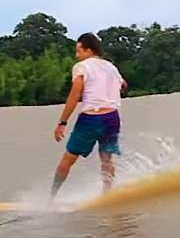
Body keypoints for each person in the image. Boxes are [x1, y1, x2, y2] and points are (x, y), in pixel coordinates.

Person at [52, 32, 127, 197]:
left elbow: (74, 95)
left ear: (89, 50)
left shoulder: (82, 67)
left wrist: (62, 122)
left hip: (91, 118)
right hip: (112, 118)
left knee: (67, 161)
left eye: (79, 51)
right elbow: (123, 85)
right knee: (106, 160)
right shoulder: (111, 67)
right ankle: (107, 196)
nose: (77, 55)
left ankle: (50, 200)